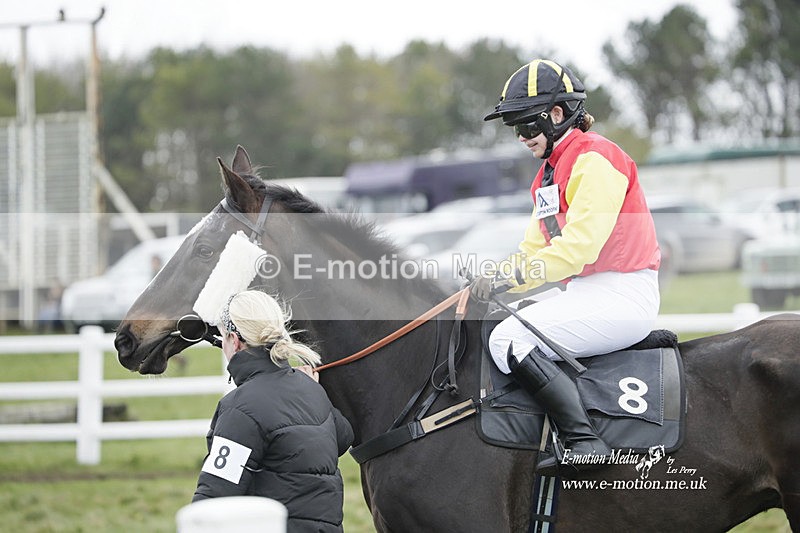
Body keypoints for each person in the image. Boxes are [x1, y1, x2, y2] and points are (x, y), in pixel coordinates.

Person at [473, 59, 661, 474]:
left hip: (623, 292)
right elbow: (533, 247)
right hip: (587, 293)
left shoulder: (597, 159)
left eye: (525, 126)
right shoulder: (547, 175)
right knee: (493, 325)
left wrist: (511, 279)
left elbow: (578, 248)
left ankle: (584, 440)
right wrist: (494, 278)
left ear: (557, 115)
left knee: (511, 340)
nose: (521, 138)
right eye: (514, 130)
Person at [192, 290, 354, 533]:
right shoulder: (311, 389)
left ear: (234, 340)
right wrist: (313, 391)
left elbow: (213, 497)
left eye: (223, 337)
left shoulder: (240, 408)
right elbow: (343, 438)